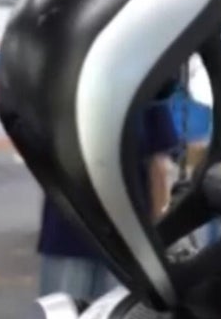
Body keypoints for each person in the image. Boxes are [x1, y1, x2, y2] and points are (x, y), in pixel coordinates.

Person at [37, 95, 177, 301]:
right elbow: (160, 169)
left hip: (69, 230)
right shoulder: (142, 88)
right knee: (119, 316)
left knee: (62, 315)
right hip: (127, 238)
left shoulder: (60, 87)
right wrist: (158, 235)